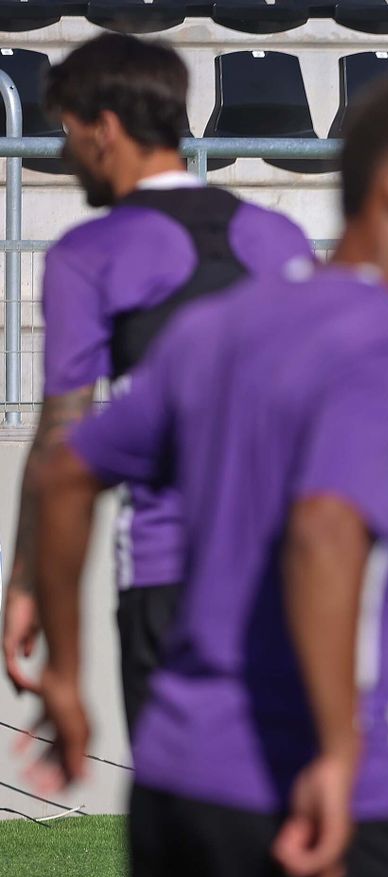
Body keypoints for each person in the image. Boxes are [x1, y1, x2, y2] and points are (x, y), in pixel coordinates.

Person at [24, 79, 388, 877]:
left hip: (174, 786)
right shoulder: (387, 343)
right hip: (306, 783)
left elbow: (62, 474)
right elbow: (325, 529)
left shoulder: (217, 329)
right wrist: (331, 755)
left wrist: (65, 669)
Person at [1, 33, 313, 734]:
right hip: (288, 579)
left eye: (69, 132)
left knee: (183, 830)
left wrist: (26, 584)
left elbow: (63, 438)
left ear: (104, 130)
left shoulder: (89, 254)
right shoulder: (279, 239)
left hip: (168, 577)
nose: (65, 153)